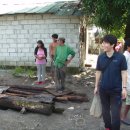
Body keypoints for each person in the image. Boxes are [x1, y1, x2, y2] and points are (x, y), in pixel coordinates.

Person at [94, 35, 127, 130]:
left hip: (116, 90)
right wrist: (96, 86)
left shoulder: (121, 57)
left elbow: (124, 72)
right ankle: (107, 127)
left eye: (105, 43)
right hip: (103, 89)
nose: (103, 45)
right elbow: (98, 71)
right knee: (105, 111)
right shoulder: (101, 57)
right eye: (103, 42)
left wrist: (124, 88)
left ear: (112, 45)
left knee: (115, 113)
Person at [121, 38, 130, 125]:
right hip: (126, 84)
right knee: (126, 101)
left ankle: (122, 116)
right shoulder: (125, 56)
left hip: (128, 83)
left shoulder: (128, 55)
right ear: (128, 47)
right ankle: (122, 117)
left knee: (127, 102)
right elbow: (122, 71)